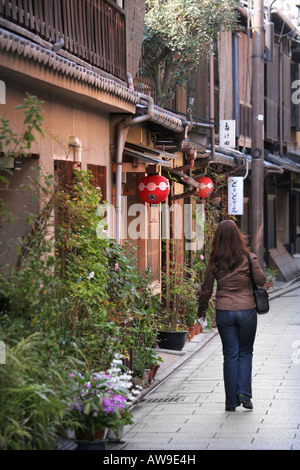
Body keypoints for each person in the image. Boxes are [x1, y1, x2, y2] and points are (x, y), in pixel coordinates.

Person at [197, 220, 267, 411]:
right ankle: (244, 394)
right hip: (247, 311)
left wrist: (201, 311)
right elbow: (262, 280)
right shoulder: (248, 257)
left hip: (224, 311)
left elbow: (206, 289)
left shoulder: (214, 260)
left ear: (217, 238)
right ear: (238, 236)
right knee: (245, 352)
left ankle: (230, 402)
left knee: (230, 355)